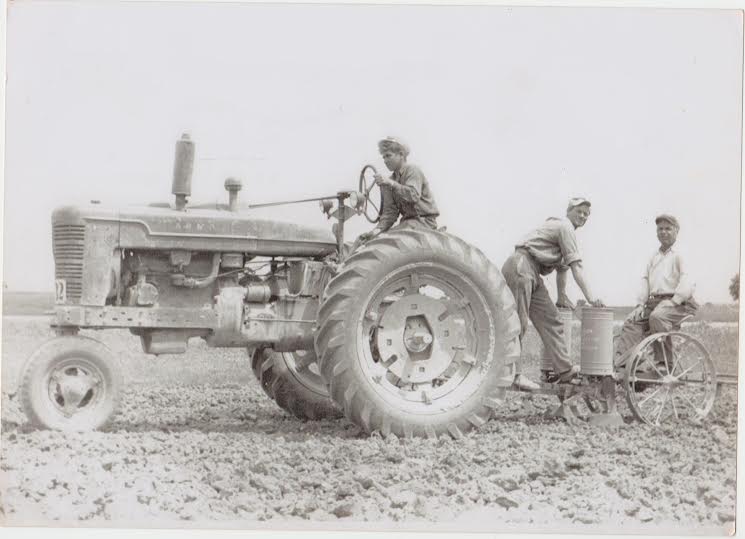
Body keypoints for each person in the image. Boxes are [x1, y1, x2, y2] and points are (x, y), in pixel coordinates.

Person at [501, 198, 605, 390]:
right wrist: (591, 297)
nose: (582, 216)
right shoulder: (564, 226)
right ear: (569, 211)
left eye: (586, 214)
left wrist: (561, 296)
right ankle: (513, 376)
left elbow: (563, 270)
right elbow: (577, 267)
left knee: (553, 319)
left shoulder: (567, 233)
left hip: (532, 272)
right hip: (521, 266)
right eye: (579, 211)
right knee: (518, 324)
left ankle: (565, 372)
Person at [614, 214, 698, 368]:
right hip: (654, 302)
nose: (664, 232)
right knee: (631, 322)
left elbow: (687, 281)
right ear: (656, 232)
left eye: (668, 229)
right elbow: (645, 280)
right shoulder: (653, 256)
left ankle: (664, 363)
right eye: (660, 229)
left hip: (679, 303)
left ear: (676, 231)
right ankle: (626, 364)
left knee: (657, 317)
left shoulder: (680, 254)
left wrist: (674, 301)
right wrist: (640, 304)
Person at [356, 137, 439, 243]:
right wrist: (375, 232)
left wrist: (391, 183)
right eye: (384, 157)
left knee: (388, 241)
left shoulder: (412, 171)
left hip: (425, 222)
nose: (385, 161)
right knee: (370, 241)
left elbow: (413, 195)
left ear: (401, 155)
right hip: (408, 223)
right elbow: (390, 213)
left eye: (388, 156)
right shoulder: (389, 181)